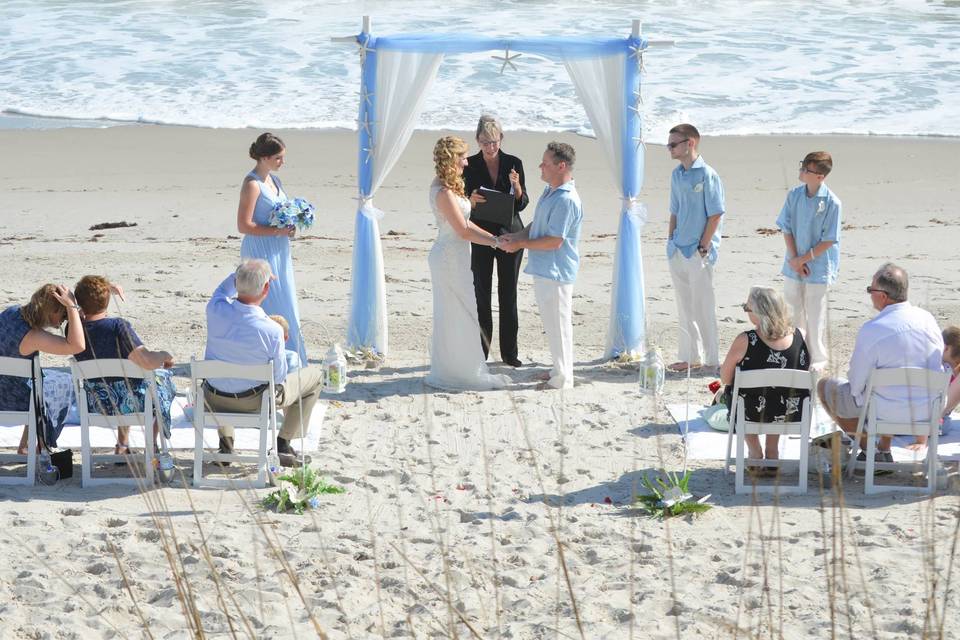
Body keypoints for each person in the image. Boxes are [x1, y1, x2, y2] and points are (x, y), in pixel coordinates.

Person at [818, 263, 944, 463]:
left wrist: (863, 398)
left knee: (826, 386)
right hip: (927, 410)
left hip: (884, 410)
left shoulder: (873, 329)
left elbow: (856, 385)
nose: (869, 294)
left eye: (870, 290)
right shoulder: (928, 320)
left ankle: (871, 450)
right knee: (887, 388)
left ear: (883, 296)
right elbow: (937, 365)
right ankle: (883, 448)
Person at [204, 259, 322, 467]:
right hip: (255, 403)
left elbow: (224, 288)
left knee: (223, 375)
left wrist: (242, 276)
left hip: (214, 399)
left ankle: (226, 442)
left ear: (237, 283)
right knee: (315, 376)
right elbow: (278, 377)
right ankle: (283, 442)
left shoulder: (215, 309)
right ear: (266, 288)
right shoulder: (272, 330)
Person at [425, 136, 511, 391]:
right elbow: (462, 231)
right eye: (462, 157)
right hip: (448, 257)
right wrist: (495, 243)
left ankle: (461, 366)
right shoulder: (442, 192)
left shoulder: (450, 188)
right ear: (452, 159)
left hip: (458, 255)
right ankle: (456, 371)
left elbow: (466, 225)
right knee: (455, 312)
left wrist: (494, 238)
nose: (466, 161)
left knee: (463, 310)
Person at [501, 142, 583, 390]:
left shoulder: (567, 199)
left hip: (556, 271)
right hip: (544, 268)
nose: (540, 166)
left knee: (559, 325)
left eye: (545, 163)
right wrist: (516, 237)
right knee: (552, 324)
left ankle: (563, 378)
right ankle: (558, 369)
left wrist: (519, 245)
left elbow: (555, 240)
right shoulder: (550, 191)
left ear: (561, 166)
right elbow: (538, 224)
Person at [73, 275, 176, 457]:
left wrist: (86, 298)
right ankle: (151, 443)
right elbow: (147, 361)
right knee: (164, 383)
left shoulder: (74, 329)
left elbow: (75, 311)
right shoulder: (117, 326)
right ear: (107, 300)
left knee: (121, 382)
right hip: (131, 403)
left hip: (95, 402)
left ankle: (122, 445)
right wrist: (164, 355)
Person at [719, 286, 810, 470]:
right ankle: (772, 451)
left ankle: (754, 451)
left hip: (751, 413)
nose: (745, 311)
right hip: (791, 413)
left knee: (732, 391)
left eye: (747, 308)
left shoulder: (745, 340)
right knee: (781, 392)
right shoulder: (802, 336)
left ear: (759, 312)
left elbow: (726, 379)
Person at [464, 115, 529, 367]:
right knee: (481, 293)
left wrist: (518, 186)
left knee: (508, 293)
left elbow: (521, 204)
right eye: (484, 142)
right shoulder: (469, 164)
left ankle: (509, 353)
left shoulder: (514, 163)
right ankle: (481, 352)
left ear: (501, 139)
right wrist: (470, 199)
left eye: (494, 141)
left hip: (510, 232)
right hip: (481, 234)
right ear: (477, 141)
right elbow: (461, 203)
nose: (490, 147)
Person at [237, 132, 307, 364]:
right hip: (260, 250)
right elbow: (243, 225)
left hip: (279, 250)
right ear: (264, 158)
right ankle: (265, 357)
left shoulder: (275, 181)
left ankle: (290, 353)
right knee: (267, 301)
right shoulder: (252, 184)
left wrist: (291, 224)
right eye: (278, 158)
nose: (282, 162)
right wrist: (276, 231)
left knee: (286, 299)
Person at [665, 123, 725, 373]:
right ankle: (691, 356)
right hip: (678, 248)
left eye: (673, 144)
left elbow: (716, 213)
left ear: (690, 143)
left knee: (703, 307)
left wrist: (704, 246)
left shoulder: (708, 174)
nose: (669, 148)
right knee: (684, 306)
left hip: (699, 251)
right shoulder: (677, 174)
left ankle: (711, 360)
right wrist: (670, 241)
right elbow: (674, 211)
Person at [776, 151, 841, 370]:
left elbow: (829, 239)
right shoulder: (794, 195)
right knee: (792, 308)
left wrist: (805, 259)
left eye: (806, 168)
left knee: (815, 311)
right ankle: (794, 351)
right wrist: (795, 259)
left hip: (819, 265)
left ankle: (817, 357)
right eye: (802, 166)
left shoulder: (832, 202)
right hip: (793, 261)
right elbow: (786, 227)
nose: (801, 171)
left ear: (820, 176)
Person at [0, 284, 84, 453]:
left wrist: (71, 309)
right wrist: (73, 308)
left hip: (5, 382)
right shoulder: (33, 337)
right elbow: (77, 345)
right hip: (10, 399)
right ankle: (40, 444)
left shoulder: (11, 312)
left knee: (45, 379)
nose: (64, 319)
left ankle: (26, 445)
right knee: (64, 382)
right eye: (63, 314)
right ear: (52, 312)